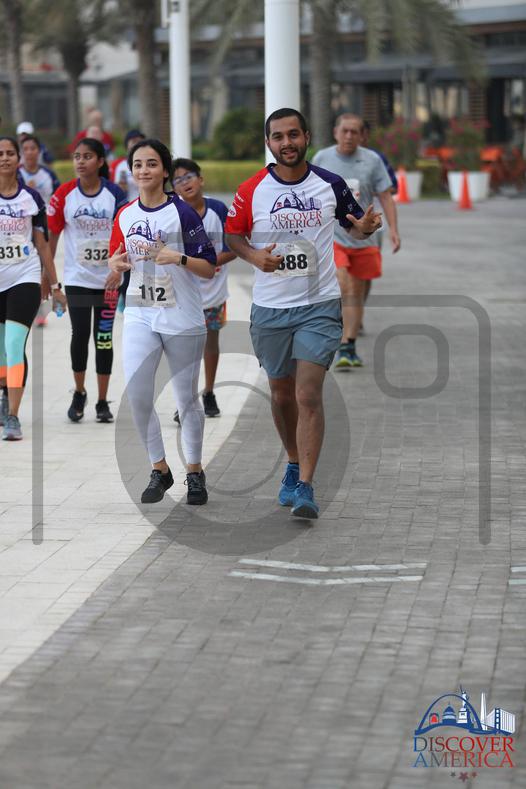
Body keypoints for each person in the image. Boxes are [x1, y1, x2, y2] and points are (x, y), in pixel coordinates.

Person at [225, 108, 381, 519]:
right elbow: (232, 234)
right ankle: (293, 463)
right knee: (280, 394)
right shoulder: (252, 189)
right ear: (269, 143)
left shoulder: (330, 184)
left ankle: (307, 486)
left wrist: (365, 227)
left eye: (293, 134)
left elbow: (354, 224)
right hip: (271, 308)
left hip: (319, 305)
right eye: (278, 137)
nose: (287, 143)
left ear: (307, 137)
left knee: (308, 393)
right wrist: (254, 256)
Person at [108, 139, 217, 505]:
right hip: (140, 312)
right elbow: (115, 256)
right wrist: (114, 265)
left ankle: (195, 472)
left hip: (182, 317)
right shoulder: (125, 214)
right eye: (138, 164)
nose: (144, 170)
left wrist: (178, 258)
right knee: (139, 396)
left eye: (152, 164)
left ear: (165, 171)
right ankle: (160, 469)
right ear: (131, 171)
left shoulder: (182, 213)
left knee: (186, 400)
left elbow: (209, 266)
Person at [47, 138, 127, 423]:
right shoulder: (65, 194)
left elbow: (126, 234)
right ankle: (79, 392)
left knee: (103, 339)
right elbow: (52, 237)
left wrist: (117, 269)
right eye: (77, 157)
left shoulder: (114, 194)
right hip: (77, 279)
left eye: (87, 156)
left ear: (100, 161)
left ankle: (103, 401)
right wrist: (50, 280)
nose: (80, 162)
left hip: (108, 281)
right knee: (79, 335)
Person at [312, 113, 401, 368]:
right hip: (333, 235)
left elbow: (385, 196)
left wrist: (394, 230)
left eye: (354, 132)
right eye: (345, 131)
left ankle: (349, 346)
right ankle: (339, 339)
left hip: (364, 238)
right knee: (344, 284)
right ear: (335, 132)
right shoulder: (322, 159)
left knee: (357, 292)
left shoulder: (372, 160)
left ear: (362, 136)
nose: (349, 136)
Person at [0, 136, 66, 440]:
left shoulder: (31, 198)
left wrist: (54, 285)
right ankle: (5, 394)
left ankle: (13, 416)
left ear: (18, 159)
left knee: (14, 345)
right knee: (1, 351)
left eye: (9, 153)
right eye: (0, 154)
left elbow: (42, 245)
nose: (5, 158)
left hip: (23, 277)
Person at [172, 157, 236, 421]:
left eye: (189, 177)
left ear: (201, 179)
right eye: (178, 180)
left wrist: (207, 263)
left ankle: (209, 392)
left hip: (214, 294)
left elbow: (234, 247)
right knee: (185, 350)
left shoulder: (218, 210)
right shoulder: (174, 213)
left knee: (211, 344)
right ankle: (185, 400)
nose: (185, 183)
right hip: (184, 295)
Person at [19, 134, 62, 326]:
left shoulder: (48, 175)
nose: (29, 152)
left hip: (43, 225)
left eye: (33, 148)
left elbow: (58, 199)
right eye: (25, 149)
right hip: (20, 228)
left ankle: (39, 310)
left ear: (39, 151)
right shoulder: (15, 173)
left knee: (42, 267)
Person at [113, 129, 146, 202]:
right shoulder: (121, 166)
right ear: (126, 145)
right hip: (130, 204)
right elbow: (118, 191)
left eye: (140, 141)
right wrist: (121, 188)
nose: (138, 144)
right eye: (134, 141)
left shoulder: (149, 164)